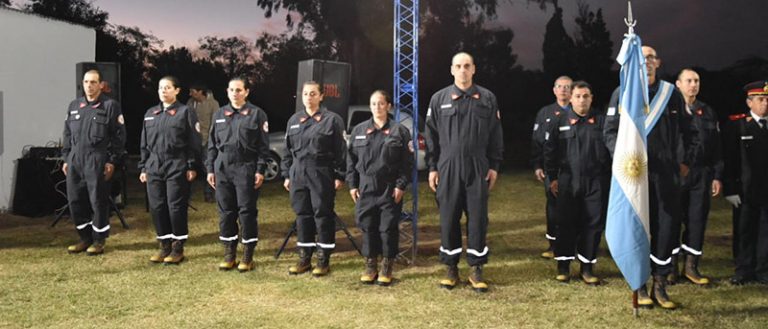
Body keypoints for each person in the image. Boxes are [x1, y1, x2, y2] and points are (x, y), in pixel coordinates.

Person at [604, 46, 699, 310]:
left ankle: (660, 283)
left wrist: (684, 162)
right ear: (632, 62)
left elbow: (691, 132)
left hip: (666, 176)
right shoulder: (622, 93)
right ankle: (640, 284)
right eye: (641, 57)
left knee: (666, 229)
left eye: (651, 58)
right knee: (638, 229)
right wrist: (623, 159)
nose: (646, 62)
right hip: (636, 177)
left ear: (658, 63)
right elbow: (610, 132)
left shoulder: (671, 94)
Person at [425, 52, 504, 292]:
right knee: (449, 217)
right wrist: (432, 167)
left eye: (466, 66)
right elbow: (431, 136)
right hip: (447, 166)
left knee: (478, 218)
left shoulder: (487, 98)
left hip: (477, 165)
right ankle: (451, 268)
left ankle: (476, 269)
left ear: (473, 69)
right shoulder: (439, 99)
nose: (462, 70)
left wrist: (494, 166)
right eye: (458, 66)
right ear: (452, 70)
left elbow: (496, 135)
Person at [543, 81, 610, 285]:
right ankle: (563, 266)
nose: (582, 100)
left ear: (591, 98)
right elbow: (549, 152)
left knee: (593, 224)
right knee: (566, 223)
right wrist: (552, 177)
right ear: (571, 98)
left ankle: (587, 268)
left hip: (595, 182)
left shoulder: (601, 121)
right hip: (567, 180)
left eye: (586, 96)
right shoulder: (559, 121)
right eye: (578, 96)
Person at [347, 90, 413, 285]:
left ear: (389, 106)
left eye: (381, 103)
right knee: (367, 226)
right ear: (370, 106)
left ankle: (387, 266)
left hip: (389, 187)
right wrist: (352, 185)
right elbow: (351, 162)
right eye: (374, 103)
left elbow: (407, 163)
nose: (377, 107)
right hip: (365, 187)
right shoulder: (359, 131)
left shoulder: (399, 132)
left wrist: (401, 186)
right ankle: (370, 265)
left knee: (387, 228)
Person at [282, 81, 346, 277]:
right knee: (302, 215)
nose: (308, 97)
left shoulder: (332, 120)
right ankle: (304, 258)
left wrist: (339, 175)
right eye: (305, 94)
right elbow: (287, 151)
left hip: (321, 172)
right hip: (298, 172)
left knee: (323, 215)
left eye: (313, 94)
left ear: (321, 96)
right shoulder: (294, 120)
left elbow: (341, 152)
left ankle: (323, 259)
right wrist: (286, 174)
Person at [206, 77, 270, 272]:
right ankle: (229, 254)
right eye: (232, 90)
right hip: (223, 167)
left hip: (246, 167)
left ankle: (247, 255)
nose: (235, 93)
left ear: (246, 92)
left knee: (246, 212)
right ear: (227, 92)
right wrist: (210, 169)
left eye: (239, 90)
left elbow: (263, 147)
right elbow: (212, 145)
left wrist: (260, 170)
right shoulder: (219, 115)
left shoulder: (257, 114)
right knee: (226, 212)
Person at [138, 76, 202, 264]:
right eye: (160, 88)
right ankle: (164, 245)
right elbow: (144, 143)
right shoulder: (151, 113)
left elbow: (194, 142)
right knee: (157, 207)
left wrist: (191, 165)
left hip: (177, 165)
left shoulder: (185, 112)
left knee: (176, 207)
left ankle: (177, 247)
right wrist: (143, 166)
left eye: (167, 87)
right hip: (154, 166)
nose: (163, 91)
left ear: (177, 90)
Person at [62, 69, 126, 255]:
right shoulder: (74, 105)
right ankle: (84, 237)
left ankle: (98, 240)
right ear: (82, 84)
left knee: (97, 201)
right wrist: (67, 158)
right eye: (86, 82)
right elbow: (67, 134)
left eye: (93, 82)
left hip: (97, 159)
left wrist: (112, 160)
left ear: (100, 85)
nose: (89, 86)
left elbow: (119, 136)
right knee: (75, 200)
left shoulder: (110, 106)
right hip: (75, 160)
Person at [669, 68, 722, 285]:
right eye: (689, 80)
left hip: (701, 174)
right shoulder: (669, 110)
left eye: (697, 81)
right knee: (671, 222)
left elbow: (717, 147)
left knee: (697, 220)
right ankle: (669, 266)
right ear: (678, 84)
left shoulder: (707, 111)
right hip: (675, 174)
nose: (694, 84)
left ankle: (691, 266)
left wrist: (717, 175)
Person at [723, 80, 768, 285]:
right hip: (745, 189)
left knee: (765, 231)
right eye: (760, 99)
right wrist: (730, 189)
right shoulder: (737, 125)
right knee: (744, 230)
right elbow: (730, 159)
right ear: (749, 102)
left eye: (767, 99)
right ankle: (743, 269)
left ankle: (763, 269)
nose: (765, 103)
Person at [531, 75, 572, 259]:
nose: (563, 90)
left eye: (567, 87)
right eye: (560, 86)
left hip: (574, 168)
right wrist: (537, 164)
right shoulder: (545, 113)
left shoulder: (579, 111)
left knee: (574, 206)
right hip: (552, 167)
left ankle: (573, 244)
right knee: (554, 206)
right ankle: (553, 244)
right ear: (554, 90)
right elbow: (537, 141)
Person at [187, 83, 220, 202]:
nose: (190, 94)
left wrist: (211, 140)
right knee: (189, 167)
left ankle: (209, 194)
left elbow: (215, 123)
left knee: (208, 167)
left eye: (193, 91)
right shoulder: (190, 103)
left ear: (200, 91)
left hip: (207, 141)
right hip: (192, 141)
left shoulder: (213, 104)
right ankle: (186, 195)